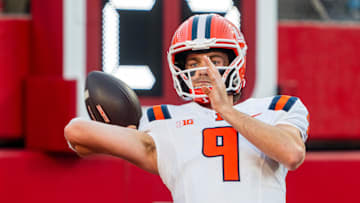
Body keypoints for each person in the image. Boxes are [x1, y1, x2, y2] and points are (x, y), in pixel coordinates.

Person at [65, 14, 309, 203]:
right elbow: (77, 134)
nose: (203, 71)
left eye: (214, 61)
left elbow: (292, 154)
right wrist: (123, 131)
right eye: (193, 63)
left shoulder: (276, 107)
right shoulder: (163, 120)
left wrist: (227, 112)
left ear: (236, 63)